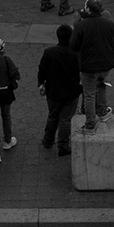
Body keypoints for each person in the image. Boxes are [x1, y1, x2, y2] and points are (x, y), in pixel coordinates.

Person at [72, 0, 114, 132]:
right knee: (102, 86)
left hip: (88, 66)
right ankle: (102, 112)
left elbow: (74, 45)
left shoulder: (82, 25)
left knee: (89, 94)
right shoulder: (109, 24)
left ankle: (90, 125)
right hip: (106, 64)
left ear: (88, 9)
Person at [38, 24, 84, 155]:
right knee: (65, 119)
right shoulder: (76, 54)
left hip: (53, 92)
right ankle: (63, 146)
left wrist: (41, 83)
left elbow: (42, 71)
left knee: (52, 116)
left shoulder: (49, 52)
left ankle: (47, 141)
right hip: (71, 92)